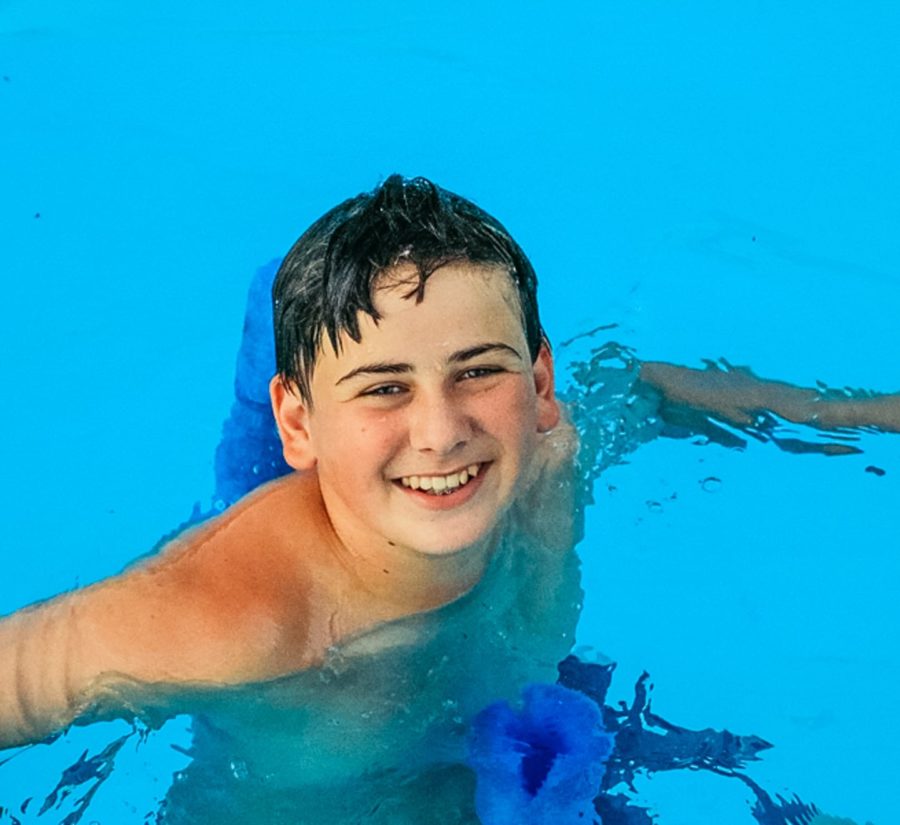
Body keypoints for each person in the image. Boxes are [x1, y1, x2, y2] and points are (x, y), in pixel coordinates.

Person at [1, 175, 898, 822]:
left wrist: (865, 415)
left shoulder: (546, 460)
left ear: (539, 383)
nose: (442, 430)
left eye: (477, 371)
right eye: (384, 387)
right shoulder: (235, 619)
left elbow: (648, 388)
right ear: (300, 421)